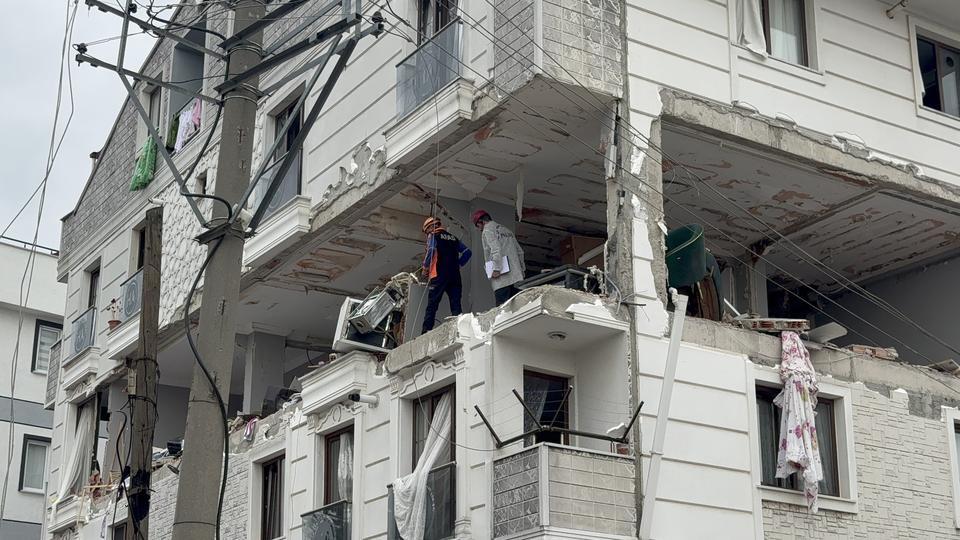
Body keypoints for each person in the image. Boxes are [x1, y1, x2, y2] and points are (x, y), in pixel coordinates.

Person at [421, 216, 471, 333]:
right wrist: (459, 263)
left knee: (432, 305)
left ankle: (425, 331)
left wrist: (425, 267)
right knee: (456, 305)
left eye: (426, 231)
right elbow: (468, 252)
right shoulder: (454, 238)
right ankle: (459, 330)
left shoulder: (433, 236)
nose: (427, 234)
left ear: (430, 227)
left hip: (438, 275)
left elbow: (432, 249)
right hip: (455, 276)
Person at [472, 210, 526, 306]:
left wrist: (496, 269)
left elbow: (496, 250)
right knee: (515, 303)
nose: (479, 229)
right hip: (514, 275)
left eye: (478, 226)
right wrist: (522, 269)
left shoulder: (488, 230)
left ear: (481, 221)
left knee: (502, 309)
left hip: (502, 276)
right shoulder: (506, 230)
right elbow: (520, 252)